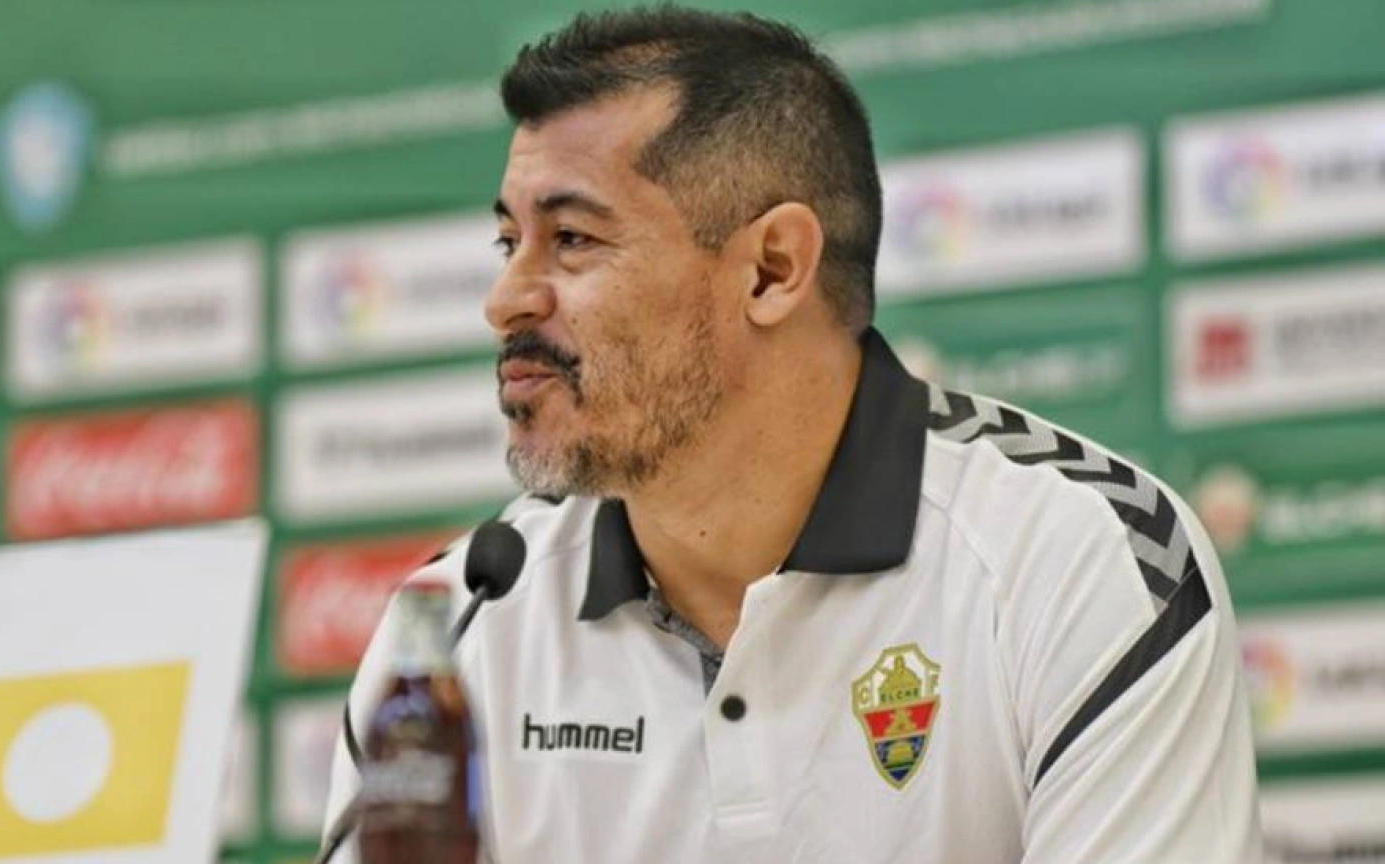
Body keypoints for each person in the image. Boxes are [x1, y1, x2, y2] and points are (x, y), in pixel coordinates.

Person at [324, 6, 1262, 862]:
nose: (505, 300)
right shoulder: (456, 623)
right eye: (508, 243)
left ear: (772, 269)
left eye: (572, 239)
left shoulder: (1082, 558)